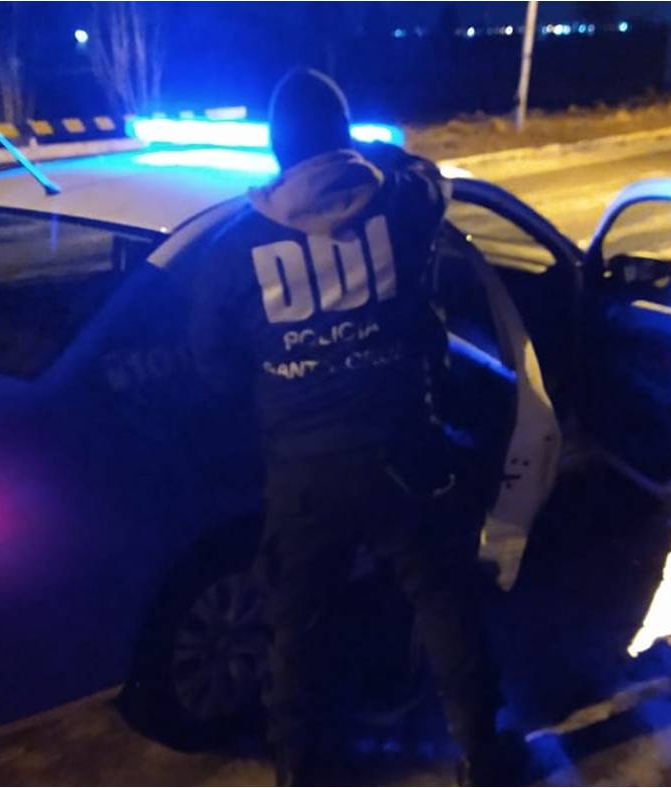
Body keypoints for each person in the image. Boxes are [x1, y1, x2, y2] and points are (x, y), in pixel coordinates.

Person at [162, 67, 528, 785]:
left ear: (276, 150)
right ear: (343, 136)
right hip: (404, 450)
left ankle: (301, 771)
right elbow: (428, 174)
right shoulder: (400, 206)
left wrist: (284, 383)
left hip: (304, 468)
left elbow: (213, 367)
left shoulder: (234, 246)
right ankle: (483, 756)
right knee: (444, 601)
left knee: (298, 629)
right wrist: (370, 153)